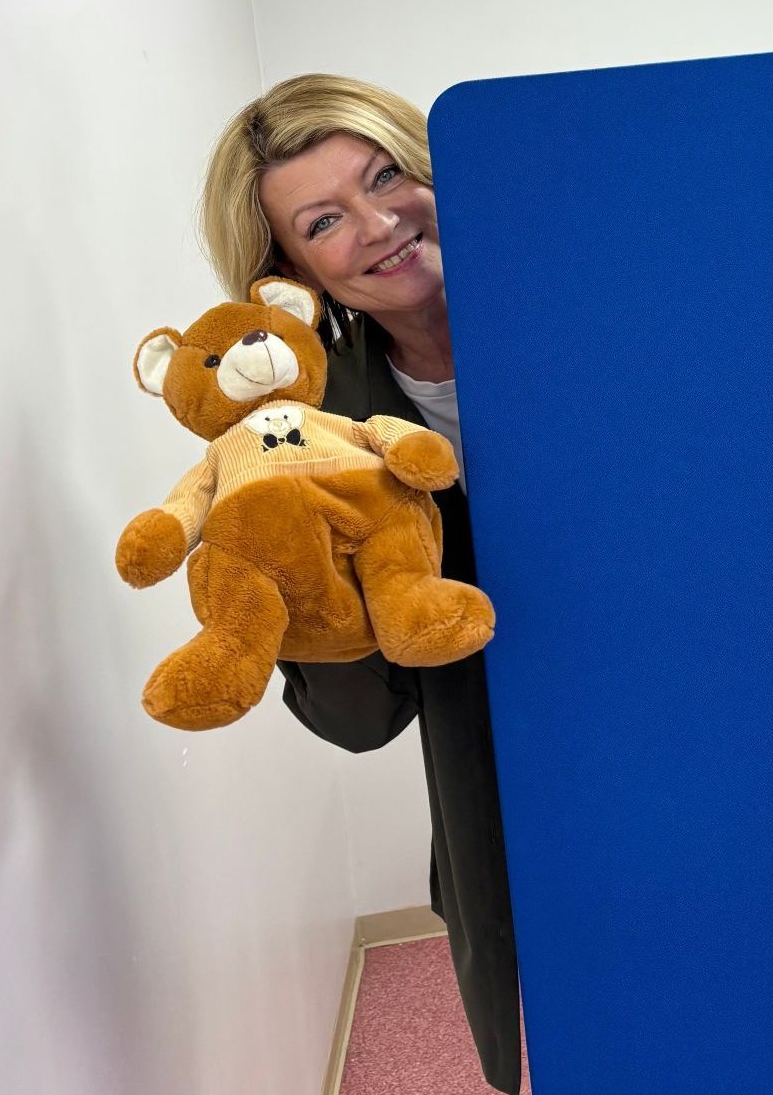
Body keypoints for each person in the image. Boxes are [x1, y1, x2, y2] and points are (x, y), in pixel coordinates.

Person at [198, 73, 522, 1094]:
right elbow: (358, 721)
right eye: (324, 221)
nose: (380, 223)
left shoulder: (583, 314)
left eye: (387, 176)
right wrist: (298, 580)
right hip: (518, 791)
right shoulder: (314, 438)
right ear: (292, 280)